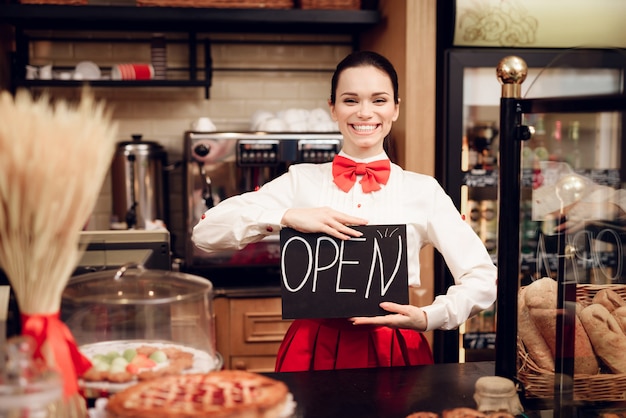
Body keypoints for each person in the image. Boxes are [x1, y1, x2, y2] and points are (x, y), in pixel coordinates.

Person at [192, 50, 497, 372]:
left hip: (394, 347)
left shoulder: (423, 190)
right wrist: (286, 217)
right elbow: (206, 232)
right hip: (311, 346)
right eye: (351, 100)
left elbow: (482, 277)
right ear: (333, 108)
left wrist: (429, 316)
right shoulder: (300, 180)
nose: (365, 113)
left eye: (378, 100)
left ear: (395, 108)